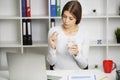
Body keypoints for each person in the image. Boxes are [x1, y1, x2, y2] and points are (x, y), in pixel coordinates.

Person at [47, 1, 89, 70]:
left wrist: (77, 54)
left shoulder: (84, 33)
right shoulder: (53, 31)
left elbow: (84, 65)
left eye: (71, 18)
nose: (66, 21)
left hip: (77, 76)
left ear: (77, 19)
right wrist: (53, 47)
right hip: (58, 75)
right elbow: (51, 62)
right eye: (64, 16)